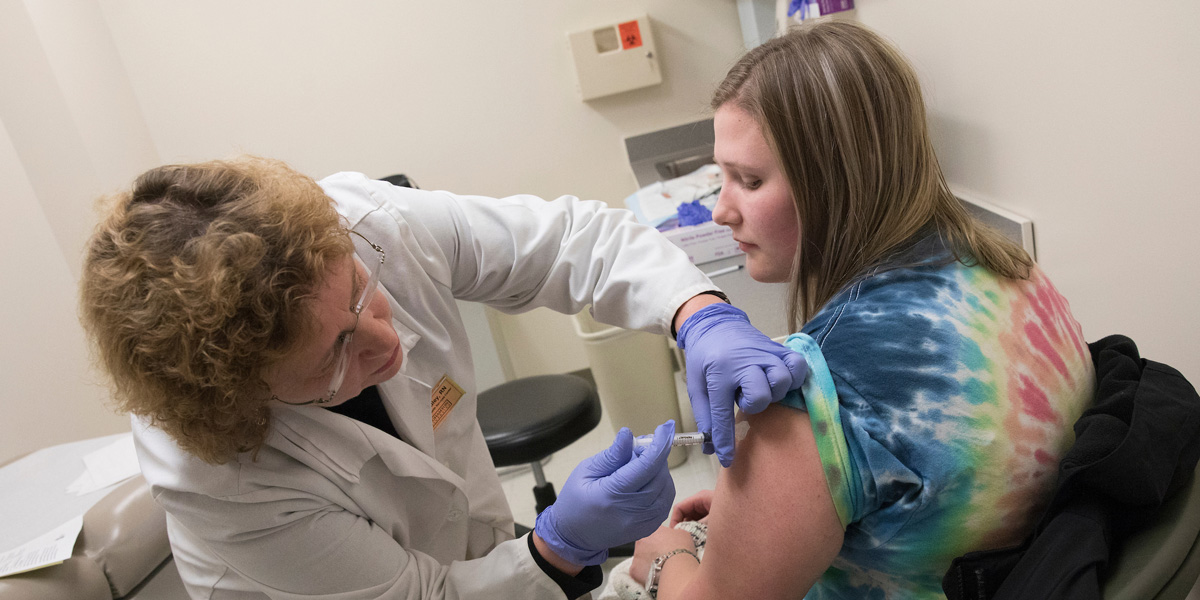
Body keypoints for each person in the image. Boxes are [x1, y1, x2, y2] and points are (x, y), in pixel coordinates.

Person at [78, 156, 807, 600]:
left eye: (362, 289)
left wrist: (699, 312)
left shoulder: (368, 222)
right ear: (244, 394)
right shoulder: (218, 472)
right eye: (334, 355)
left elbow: (568, 243)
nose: (385, 341)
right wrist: (558, 546)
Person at [628, 21, 1097, 599]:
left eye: (748, 180)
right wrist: (763, 512)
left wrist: (666, 557)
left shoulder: (815, 388)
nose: (721, 210)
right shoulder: (1012, 275)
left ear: (833, 181)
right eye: (717, 177)